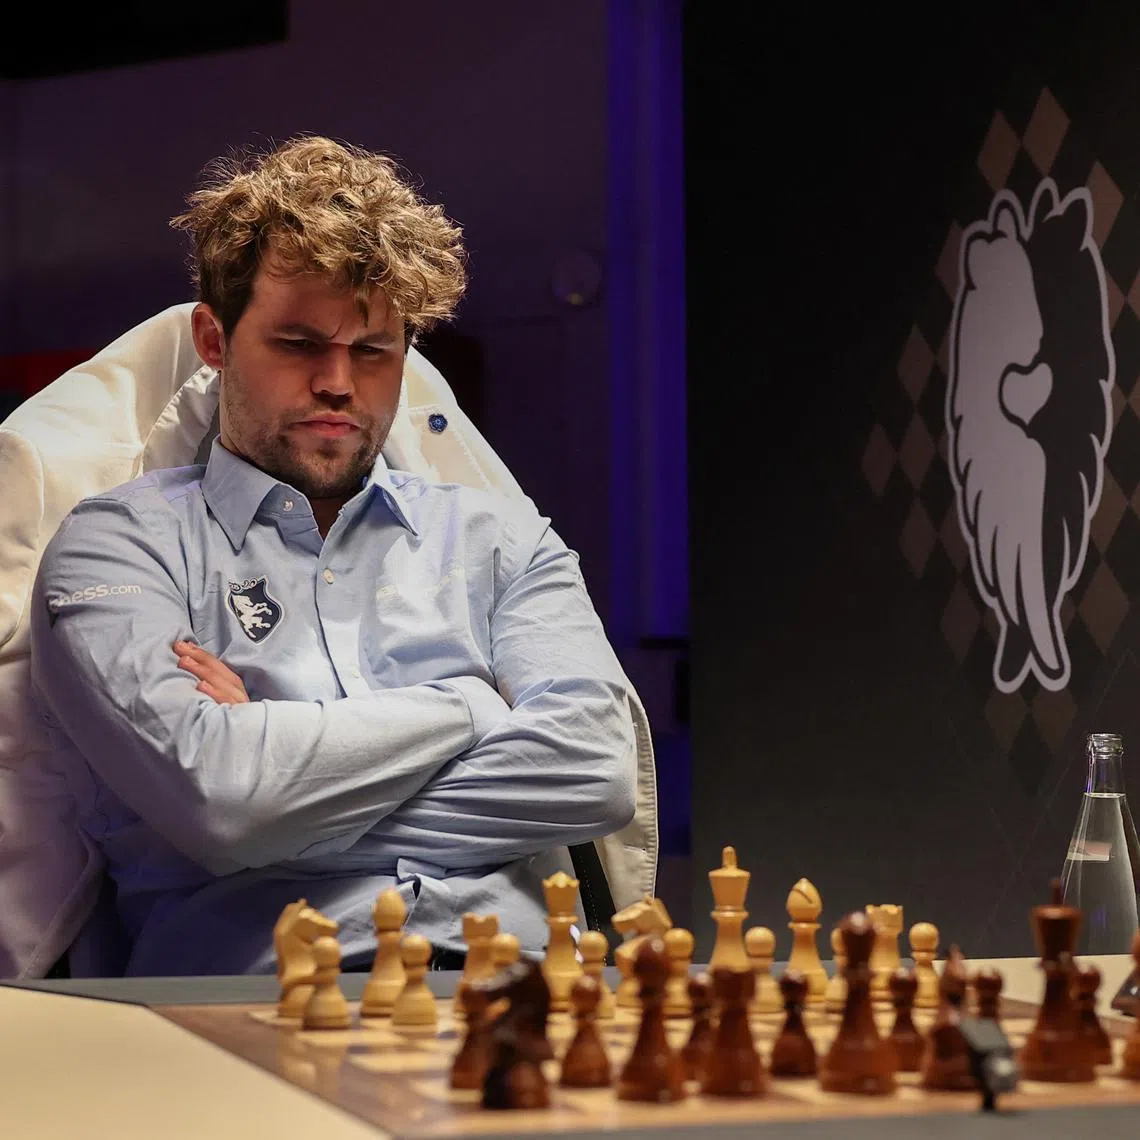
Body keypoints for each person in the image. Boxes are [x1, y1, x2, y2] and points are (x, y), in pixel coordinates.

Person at [28, 136, 637, 976]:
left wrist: (281, 797)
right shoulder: (118, 547)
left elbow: (596, 773)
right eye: (299, 343)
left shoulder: (503, 539)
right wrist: (469, 705)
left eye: (374, 351)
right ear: (213, 338)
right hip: (248, 1009)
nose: (339, 384)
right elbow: (223, 804)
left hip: (517, 993)